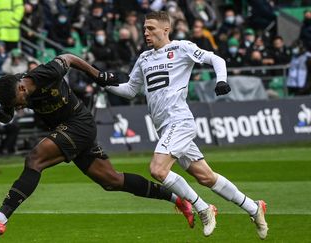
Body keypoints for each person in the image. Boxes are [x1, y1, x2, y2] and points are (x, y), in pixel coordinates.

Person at [0, 53, 196, 236]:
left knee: (35, 159)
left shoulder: (44, 73)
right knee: (112, 181)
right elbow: (9, 114)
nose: (20, 106)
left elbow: (70, 58)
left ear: (22, 88)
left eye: (19, 101)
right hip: (68, 130)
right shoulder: (17, 93)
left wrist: (98, 76)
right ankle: (178, 200)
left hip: (78, 123)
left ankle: (0, 218)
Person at [105, 11, 268, 239]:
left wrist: (222, 80)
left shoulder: (181, 48)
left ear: (165, 29)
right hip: (164, 128)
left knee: (158, 170)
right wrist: (103, 82)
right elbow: (130, 91)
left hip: (180, 122)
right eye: (144, 28)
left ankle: (203, 208)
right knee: (206, 177)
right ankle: (254, 207)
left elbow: (216, 59)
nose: (146, 32)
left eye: (151, 28)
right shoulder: (144, 58)